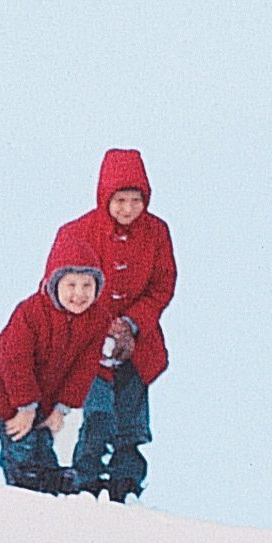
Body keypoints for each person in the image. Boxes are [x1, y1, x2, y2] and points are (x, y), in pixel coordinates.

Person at [43, 148, 174, 501]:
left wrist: (132, 324)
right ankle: (85, 479)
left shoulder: (157, 233)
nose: (128, 209)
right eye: (120, 199)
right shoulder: (76, 232)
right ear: (105, 196)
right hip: (88, 344)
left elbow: (162, 285)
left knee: (132, 421)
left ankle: (125, 484)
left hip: (137, 343)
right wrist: (99, 327)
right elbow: (58, 287)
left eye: (135, 200)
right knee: (98, 415)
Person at [0, 257, 110, 494]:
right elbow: (14, 360)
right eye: (71, 285)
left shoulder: (97, 319)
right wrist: (25, 407)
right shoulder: (31, 313)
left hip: (47, 398)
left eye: (87, 286)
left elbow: (84, 367)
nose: (79, 294)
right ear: (55, 284)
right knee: (22, 445)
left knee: (43, 443)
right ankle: (25, 487)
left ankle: (53, 485)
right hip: (10, 396)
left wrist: (62, 408)